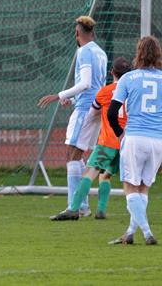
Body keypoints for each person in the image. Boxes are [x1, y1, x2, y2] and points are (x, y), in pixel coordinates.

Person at [38, 16, 107, 217]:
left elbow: (86, 83)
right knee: (78, 155)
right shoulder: (100, 52)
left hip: (86, 109)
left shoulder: (84, 51)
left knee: (71, 154)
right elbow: (95, 85)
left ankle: (73, 207)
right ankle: (82, 205)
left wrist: (59, 95)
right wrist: (73, 99)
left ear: (77, 34)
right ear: (92, 32)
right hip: (93, 107)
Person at [50, 57, 130, 220]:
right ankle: (101, 210)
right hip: (126, 144)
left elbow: (92, 114)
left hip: (108, 142)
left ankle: (73, 209)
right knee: (105, 175)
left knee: (89, 173)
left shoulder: (105, 92)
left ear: (112, 72)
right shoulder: (133, 92)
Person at [107, 36, 162, 246]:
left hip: (135, 137)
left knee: (130, 187)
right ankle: (129, 233)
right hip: (157, 140)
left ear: (138, 53)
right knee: (143, 188)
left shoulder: (128, 78)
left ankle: (147, 233)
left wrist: (120, 133)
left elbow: (113, 112)